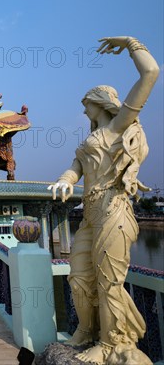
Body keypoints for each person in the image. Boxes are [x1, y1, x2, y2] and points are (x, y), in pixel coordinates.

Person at [49, 37, 159, 365]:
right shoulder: (89, 140)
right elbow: (76, 168)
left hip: (114, 208)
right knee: (80, 276)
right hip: (89, 215)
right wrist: (65, 181)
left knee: (109, 280)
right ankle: (85, 330)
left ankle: (112, 343)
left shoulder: (118, 125)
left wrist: (130, 44)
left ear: (100, 102)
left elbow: (150, 73)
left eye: (87, 103)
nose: (84, 110)